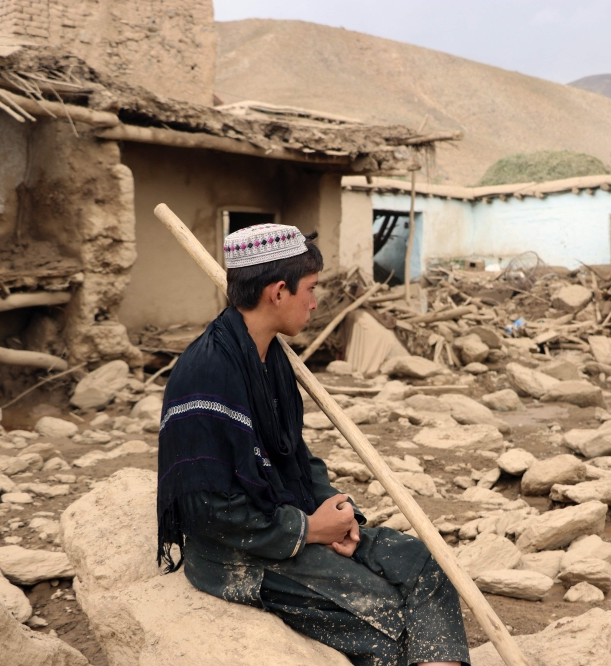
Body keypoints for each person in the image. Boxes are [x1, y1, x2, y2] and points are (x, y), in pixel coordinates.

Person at [156, 223, 469, 666]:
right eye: (311, 288)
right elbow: (209, 514)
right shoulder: (207, 375)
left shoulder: (271, 357)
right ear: (278, 292)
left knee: (424, 564)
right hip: (239, 554)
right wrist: (308, 530)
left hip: (290, 518)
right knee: (383, 616)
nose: (316, 302)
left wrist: (341, 515)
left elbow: (296, 456)